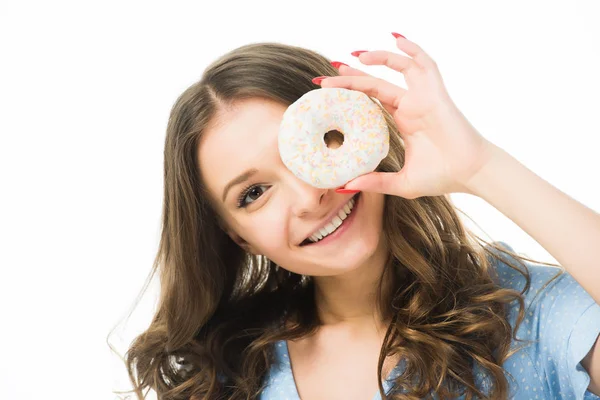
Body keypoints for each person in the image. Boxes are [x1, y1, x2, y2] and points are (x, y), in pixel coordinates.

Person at [121, 34, 600, 399]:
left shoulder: (527, 315)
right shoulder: (232, 371)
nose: (310, 198)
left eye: (316, 145)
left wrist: (479, 167)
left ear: (359, 129)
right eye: (255, 193)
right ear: (237, 236)